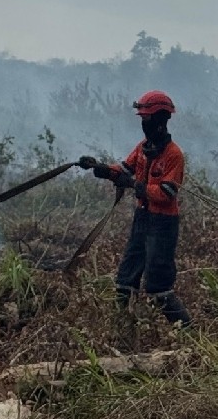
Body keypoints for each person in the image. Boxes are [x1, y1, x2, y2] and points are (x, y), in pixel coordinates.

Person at [79, 90, 192, 328]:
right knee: (126, 278)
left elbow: (167, 193)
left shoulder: (174, 155)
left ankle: (189, 336)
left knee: (158, 287)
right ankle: (121, 332)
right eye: (142, 119)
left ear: (161, 119)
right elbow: (124, 169)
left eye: (147, 119)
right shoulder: (142, 148)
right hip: (143, 218)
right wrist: (100, 168)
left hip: (163, 224)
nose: (144, 123)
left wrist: (136, 185)